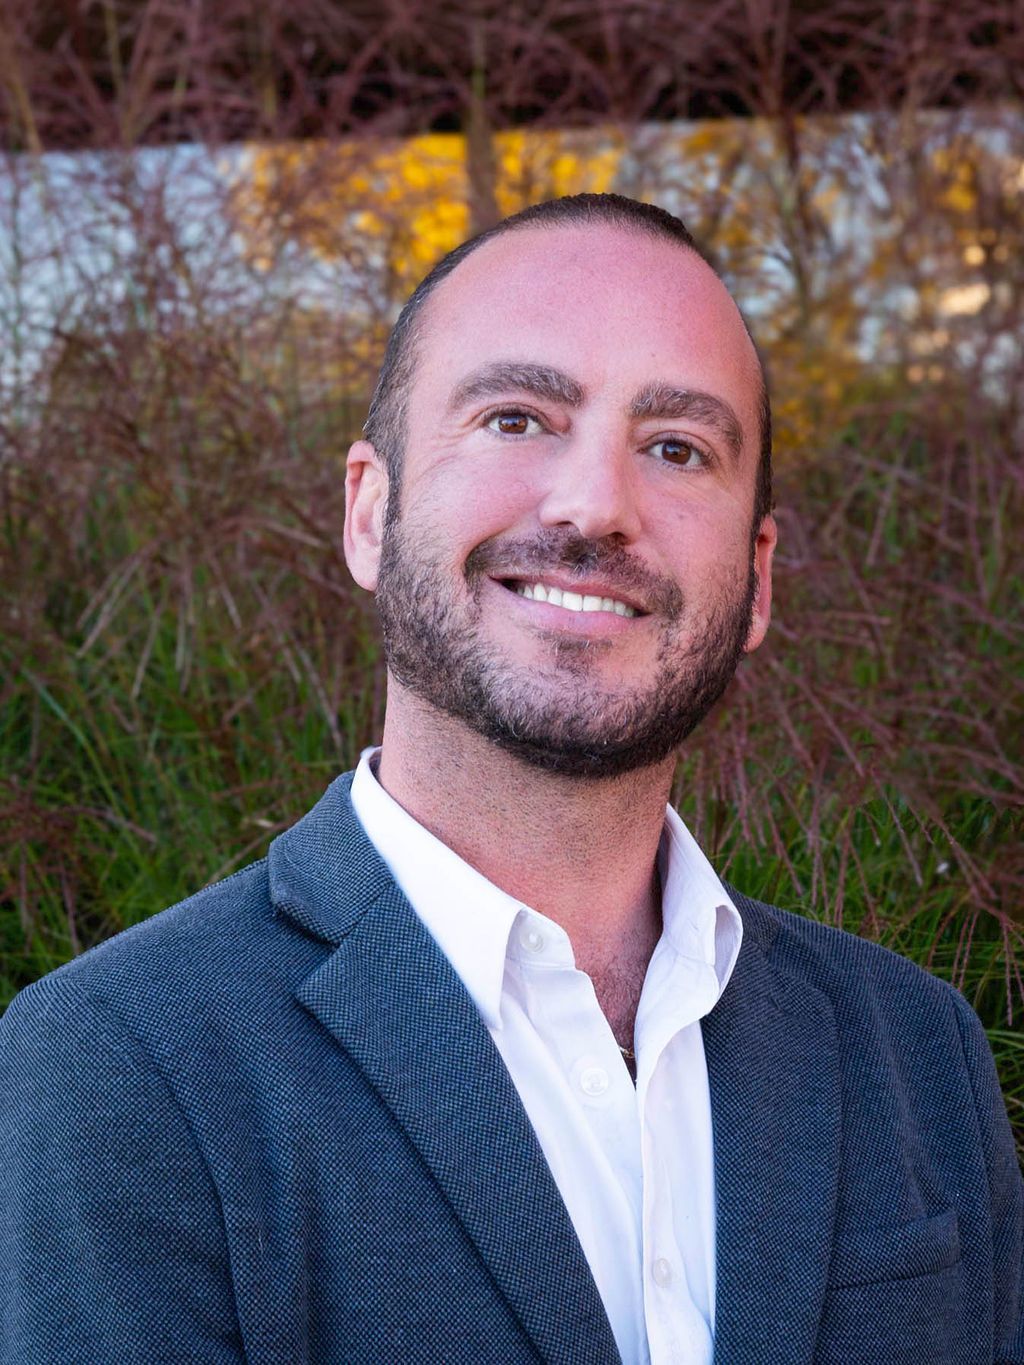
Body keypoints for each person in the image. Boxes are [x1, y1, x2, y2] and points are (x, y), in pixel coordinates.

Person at [1, 193, 1021, 1365]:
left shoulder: (914, 1046)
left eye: (675, 447)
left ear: (757, 574)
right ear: (368, 513)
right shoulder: (122, 1062)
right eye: (516, 417)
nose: (593, 504)